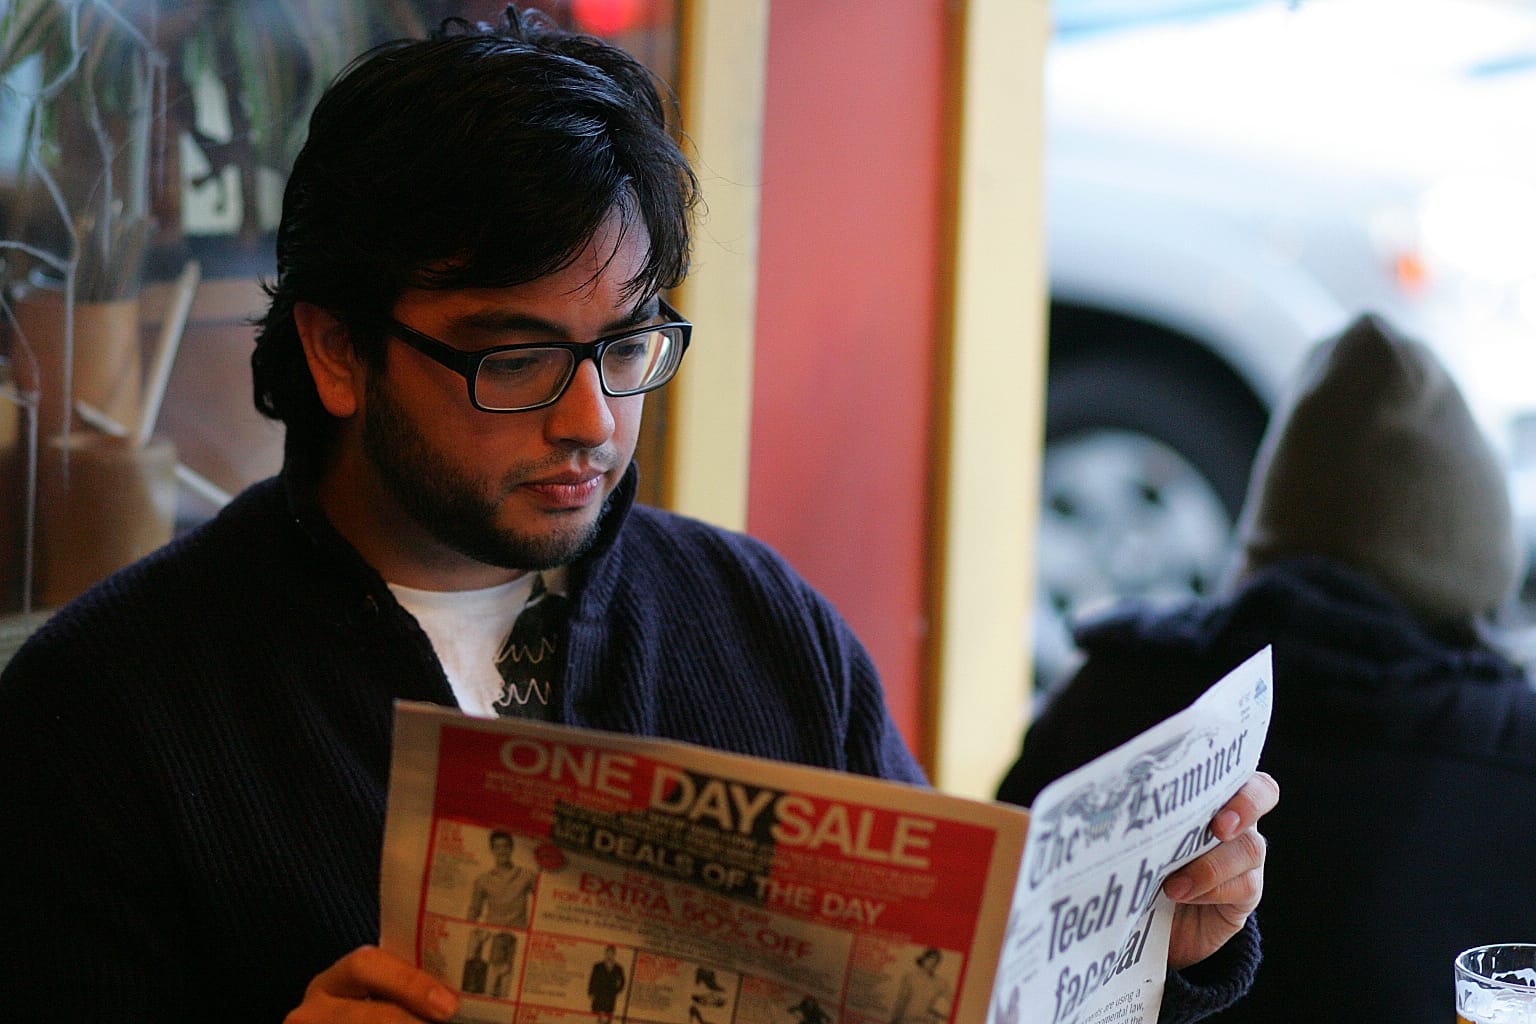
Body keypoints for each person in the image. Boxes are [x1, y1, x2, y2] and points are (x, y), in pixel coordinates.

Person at [0, 7, 1271, 1023]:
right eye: (516, 359)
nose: (592, 421)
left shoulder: (759, 624)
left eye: (628, 344)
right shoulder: (107, 712)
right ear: (337, 352)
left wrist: (1160, 945)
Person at [998, 313, 1536, 1022]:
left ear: (1265, 526)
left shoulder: (1114, 690)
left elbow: (988, 938)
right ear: (1482, 565)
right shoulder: (1515, 759)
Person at [467, 832, 538, 928]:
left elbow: (542, 904)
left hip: (520, 933)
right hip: (492, 933)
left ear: (512, 848)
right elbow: (474, 911)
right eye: (497, 847)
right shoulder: (482, 880)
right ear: (492, 850)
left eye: (506, 846)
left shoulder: (527, 875)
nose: (502, 851)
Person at [890, 948, 951, 1024]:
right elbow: (901, 1001)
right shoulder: (910, 977)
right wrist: (894, 1020)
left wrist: (941, 1015)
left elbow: (953, 1000)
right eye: (930, 959)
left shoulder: (941, 983)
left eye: (936, 961)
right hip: (907, 1020)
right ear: (923, 960)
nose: (933, 963)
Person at [587, 945, 625, 1023]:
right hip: (599, 993)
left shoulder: (618, 968)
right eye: (608, 953)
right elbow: (592, 980)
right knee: (600, 1014)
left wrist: (617, 990)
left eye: (611, 954)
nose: (609, 956)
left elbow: (622, 981)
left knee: (609, 1014)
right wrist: (591, 992)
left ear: (614, 955)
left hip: (610, 995)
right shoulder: (598, 966)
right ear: (605, 954)